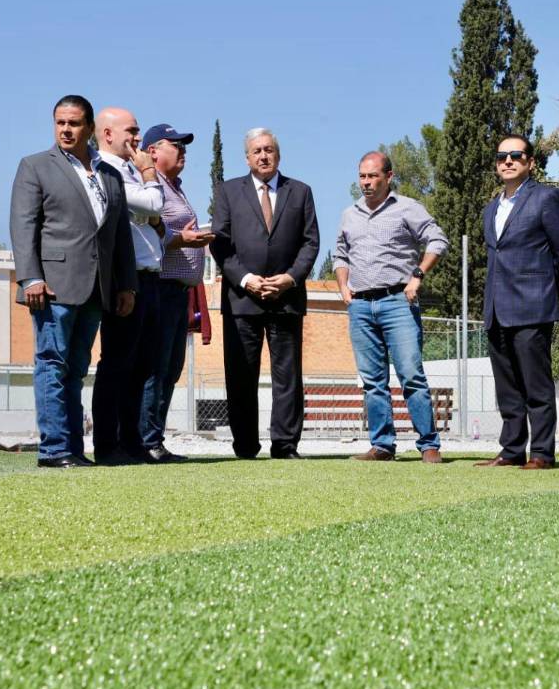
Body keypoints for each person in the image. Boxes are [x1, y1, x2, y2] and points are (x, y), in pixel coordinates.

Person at [10, 95, 136, 469]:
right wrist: (31, 278)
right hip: (52, 287)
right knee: (52, 363)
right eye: (60, 122)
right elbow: (23, 225)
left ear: (90, 128)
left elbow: (120, 234)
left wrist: (126, 284)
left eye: (74, 123)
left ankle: (73, 449)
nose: (65, 130)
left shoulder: (109, 174)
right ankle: (54, 449)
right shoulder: (35, 166)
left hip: (97, 288)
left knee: (77, 369)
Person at [210, 128, 320, 459]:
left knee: (287, 376)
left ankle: (285, 445)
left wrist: (290, 278)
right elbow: (220, 243)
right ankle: (245, 445)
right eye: (257, 151)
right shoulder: (228, 192)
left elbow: (311, 242)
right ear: (247, 158)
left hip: (286, 299)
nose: (263, 156)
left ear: (278, 155)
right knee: (241, 375)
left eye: (269, 149)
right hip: (242, 299)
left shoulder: (300, 192)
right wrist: (245, 279)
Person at [333, 151, 448, 463]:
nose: (366, 182)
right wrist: (343, 286)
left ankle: (429, 445)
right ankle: (382, 445)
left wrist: (418, 275)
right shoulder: (349, 214)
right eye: (362, 176)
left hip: (399, 302)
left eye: (373, 176)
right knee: (372, 381)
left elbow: (437, 240)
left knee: (411, 374)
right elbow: (340, 254)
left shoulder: (407, 208)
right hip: (360, 306)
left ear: (388, 176)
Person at [476, 135, 559, 470]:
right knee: (507, 389)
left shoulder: (546, 198)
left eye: (516, 155)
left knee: (536, 386)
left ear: (530, 162)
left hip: (533, 306)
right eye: (501, 156)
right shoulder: (491, 209)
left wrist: (547, 290)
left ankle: (542, 453)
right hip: (496, 309)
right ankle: (511, 451)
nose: (508, 161)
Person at [89, 107, 167, 465]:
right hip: (128, 279)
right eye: (131, 131)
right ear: (107, 134)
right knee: (117, 364)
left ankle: (132, 442)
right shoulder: (106, 169)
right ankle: (108, 443)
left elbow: (155, 215)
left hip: (150, 277)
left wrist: (151, 210)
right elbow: (154, 202)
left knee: (142, 366)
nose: (138, 138)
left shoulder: (128, 169)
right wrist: (149, 172)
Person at [138, 123, 215, 463]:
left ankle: (154, 439)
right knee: (157, 368)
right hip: (161, 287)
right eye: (176, 145)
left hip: (178, 292)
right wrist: (183, 238)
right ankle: (147, 441)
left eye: (184, 146)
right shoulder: (150, 185)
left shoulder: (174, 187)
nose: (183, 151)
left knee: (170, 369)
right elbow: (148, 231)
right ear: (152, 151)